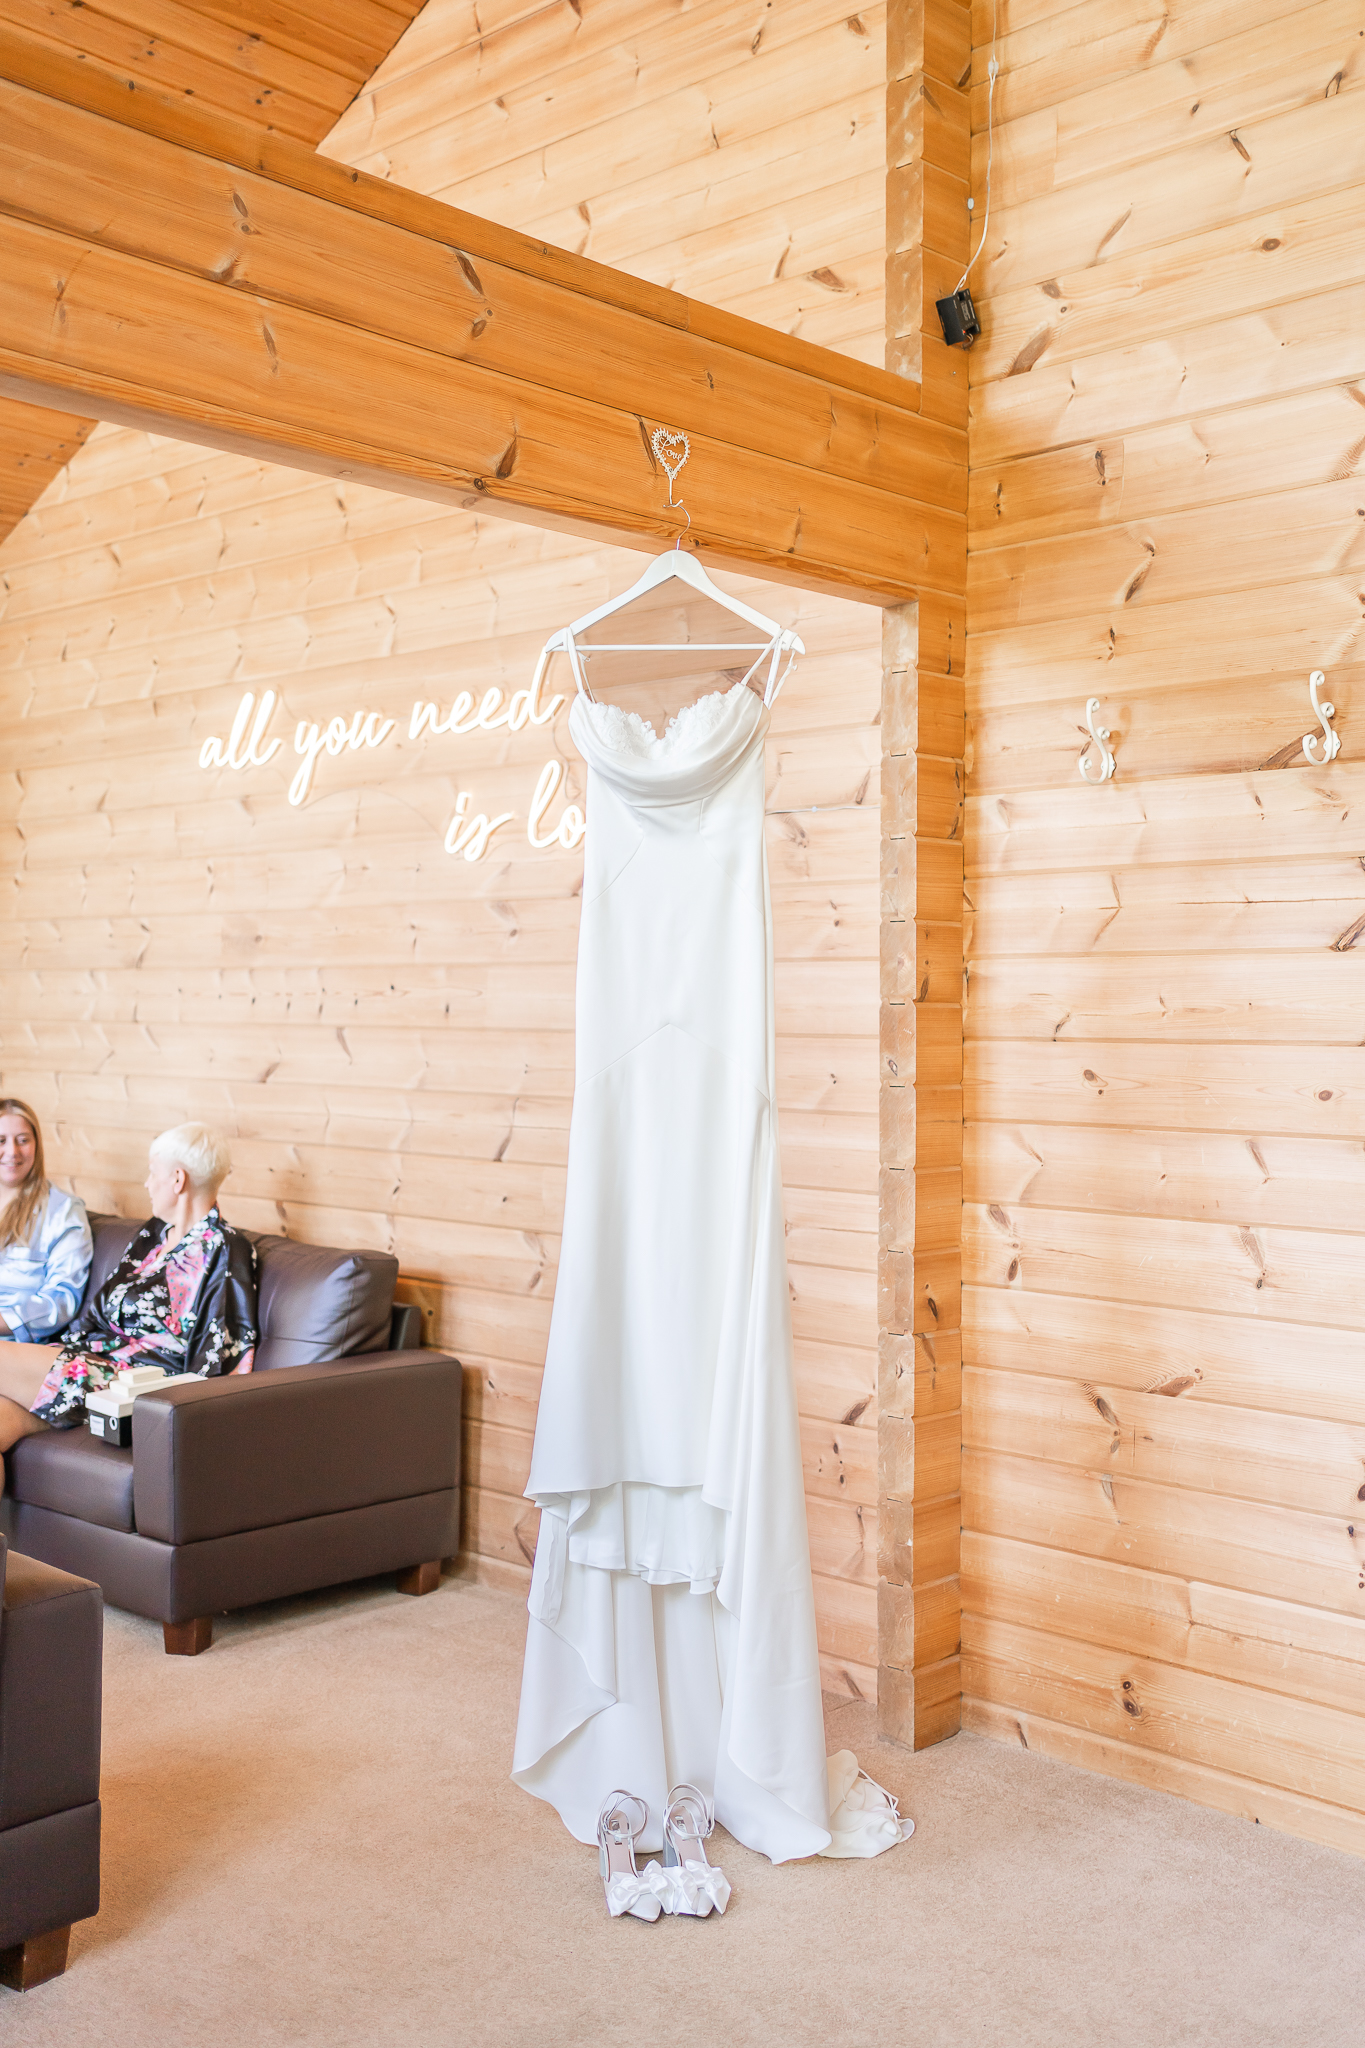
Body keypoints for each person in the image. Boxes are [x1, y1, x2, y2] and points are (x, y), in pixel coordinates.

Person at [0, 1123, 258, 1454]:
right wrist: (55, 1350)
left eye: (153, 1174)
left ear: (178, 1180)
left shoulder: (225, 1248)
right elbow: (97, 1312)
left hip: (137, 1386)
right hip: (88, 1364)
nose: (148, 1184)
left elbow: (219, 1354)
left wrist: (180, 1418)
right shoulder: (152, 1236)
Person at [0, 1098, 93, 1347]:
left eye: (23, 1140)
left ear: (37, 1146)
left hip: (15, 1347)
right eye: (2, 1140)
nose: (12, 1152)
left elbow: (62, 1299)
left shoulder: (63, 1211)